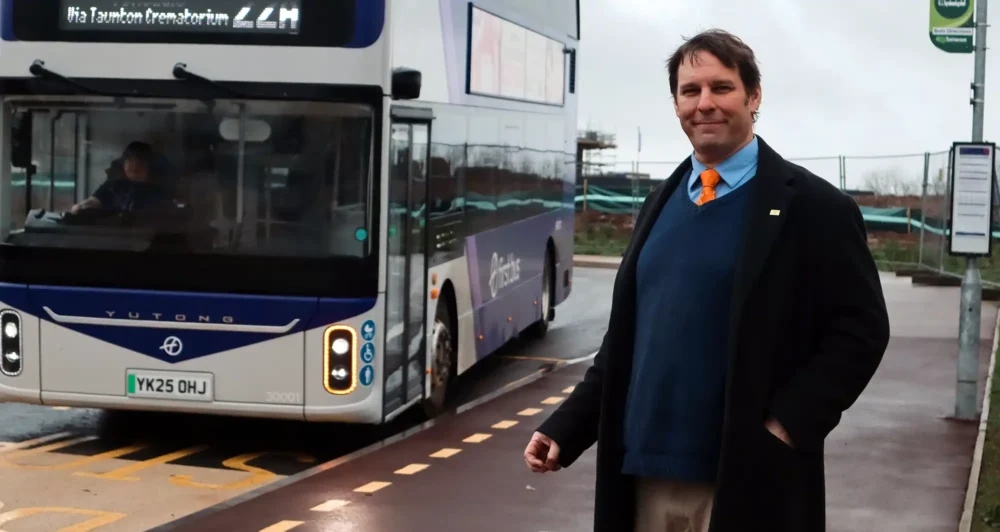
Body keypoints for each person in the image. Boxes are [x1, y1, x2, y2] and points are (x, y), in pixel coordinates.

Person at [523, 29, 890, 532]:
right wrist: (567, 427)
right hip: (642, 473)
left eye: (721, 88)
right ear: (675, 102)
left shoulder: (815, 208)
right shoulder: (660, 202)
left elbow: (861, 331)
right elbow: (628, 341)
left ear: (753, 96)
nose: (705, 104)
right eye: (690, 91)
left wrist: (787, 423)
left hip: (747, 478)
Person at [70, 141, 172, 214]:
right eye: (129, 160)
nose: (134, 165)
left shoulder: (159, 190)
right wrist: (81, 206)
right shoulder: (114, 185)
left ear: (149, 164)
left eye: (140, 161)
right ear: (123, 162)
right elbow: (95, 200)